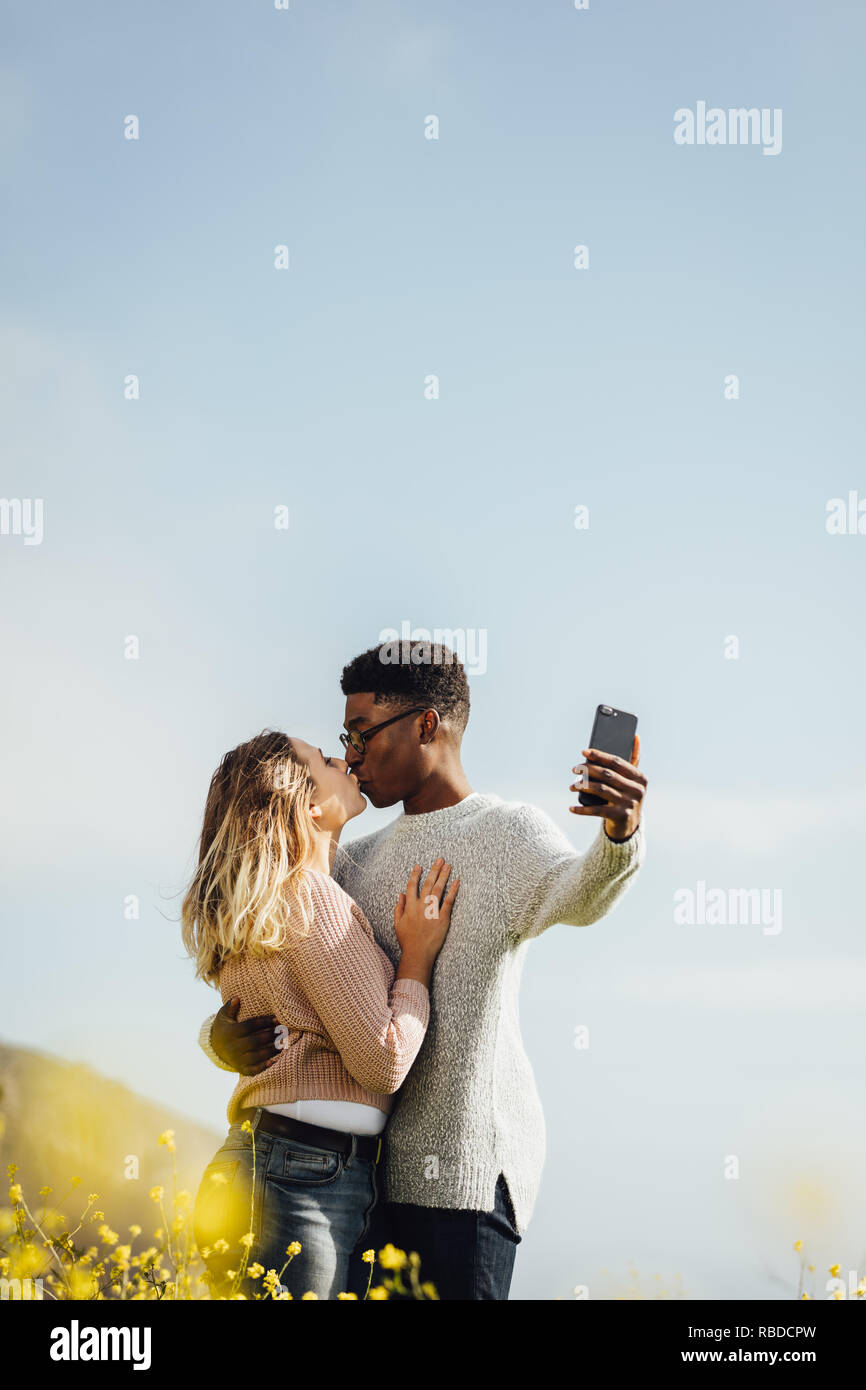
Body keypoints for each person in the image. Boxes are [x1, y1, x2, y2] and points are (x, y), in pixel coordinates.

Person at [200, 641, 648, 1300]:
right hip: (360, 1184)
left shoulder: (507, 833)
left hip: (465, 1182)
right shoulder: (345, 864)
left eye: (361, 735)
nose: (349, 755)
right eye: (342, 739)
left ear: (426, 726)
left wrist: (619, 834)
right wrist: (219, 1035)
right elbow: (289, 978)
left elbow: (579, 894)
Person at [182, 729, 458, 1299]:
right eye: (324, 760)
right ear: (310, 805)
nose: (344, 761)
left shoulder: (267, 901)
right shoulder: (312, 898)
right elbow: (383, 1060)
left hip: (270, 1166)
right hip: (299, 1177)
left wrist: (213, 1039)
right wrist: (416, 957)